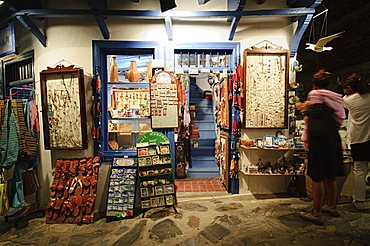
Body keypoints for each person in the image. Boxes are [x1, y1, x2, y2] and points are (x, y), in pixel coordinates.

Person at [296, 69, 345, 225]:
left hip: (319, 139)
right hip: (333, 139)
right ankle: (331, 206)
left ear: (315, 85)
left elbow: (314, 113)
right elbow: (339, 119)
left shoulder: (316, 95)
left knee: (317, 176)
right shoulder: (335, 98)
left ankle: (316, 212)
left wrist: (303, 107)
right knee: (330, 175)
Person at [341, 73, 370, 210]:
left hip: (359, 139)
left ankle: (360, 201)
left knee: (360, 169)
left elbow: (343, 99)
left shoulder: (349, 100)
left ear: (351, 88)